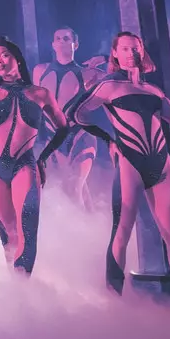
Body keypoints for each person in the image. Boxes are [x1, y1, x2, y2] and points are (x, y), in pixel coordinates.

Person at [66, 31, 170, 301]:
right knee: (122, 230)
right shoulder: (108, 85)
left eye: (135, 48)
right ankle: (114, 301)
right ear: (115, 53)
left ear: (142, 51)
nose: (131, 53)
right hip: (130, 161)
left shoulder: (153, 90)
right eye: (124, 49)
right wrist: (107, 140)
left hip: (161, 162)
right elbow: (75, 113)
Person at [0, 35, 68, 275]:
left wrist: (43, 158)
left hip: (24, 166)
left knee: (27, 235)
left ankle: (23, 288)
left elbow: (63, 128)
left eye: (4, 55)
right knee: (8, 238)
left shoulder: (41, 94)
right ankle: (14, 290)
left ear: (17, 59)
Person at [33, 27, 105, 210]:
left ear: (76, 44)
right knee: (74, 189)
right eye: (58, 38)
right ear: (52, 44)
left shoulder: (89, 73)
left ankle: (82, 228)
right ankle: (94, 222)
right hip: (54, 140)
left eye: (66, 38)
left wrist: (105, 58)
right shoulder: (40, 71)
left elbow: (120, 77)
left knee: (74, 188)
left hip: (80, 137)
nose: (61, 42)